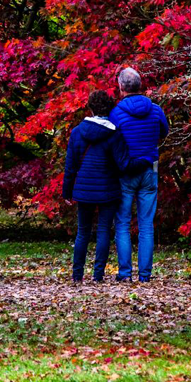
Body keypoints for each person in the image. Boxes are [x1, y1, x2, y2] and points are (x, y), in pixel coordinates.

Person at [62, 90, 129, 283]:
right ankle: (98, 275)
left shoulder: (77, 132)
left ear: (90, 108)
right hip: (108, 189)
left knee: (82, 232)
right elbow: (122, 163)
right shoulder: (114, 134)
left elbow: (71, 165)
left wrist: (67, 191)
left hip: (83, 189)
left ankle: (77, 275)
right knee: (103, 231)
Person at [109, 67, 169, 282]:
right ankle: (145, 274)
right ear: (140, 85)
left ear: (121, 87)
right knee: (146, 224)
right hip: (150, 169)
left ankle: (125, 274)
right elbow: (164, 132)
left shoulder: (116, 113)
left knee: (123, 222)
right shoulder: (155, 110)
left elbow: (111, 142)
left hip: (125, 171)